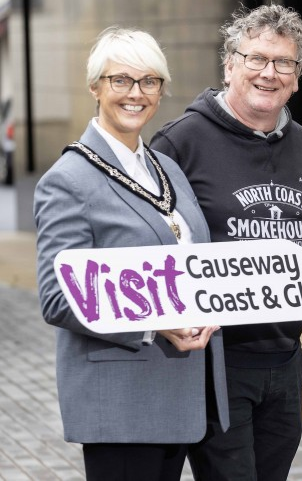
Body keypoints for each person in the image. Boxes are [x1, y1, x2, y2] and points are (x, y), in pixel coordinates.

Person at [34, 27, 229, 481]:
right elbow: (59, 298)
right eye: (120, 80)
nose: (135, 94)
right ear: (95, 86)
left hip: (182, 391)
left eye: (149, 81)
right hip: (121, 403)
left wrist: (285, 276)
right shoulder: (70, 179)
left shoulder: (168, 171)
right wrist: (154, 326)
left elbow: (198, 264)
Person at [151, 4, 302, 481]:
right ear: (229, 64)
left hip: (286, 360)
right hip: (215, 360)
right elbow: (152, 246)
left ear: (296, 77)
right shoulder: (178, 144)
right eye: (256, 59)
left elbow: (296, 245)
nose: (269, 73)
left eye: (284, 63)